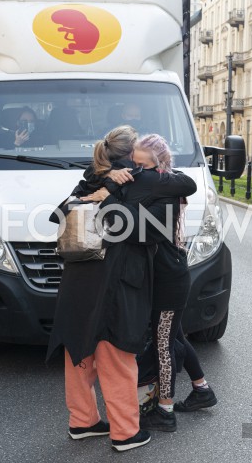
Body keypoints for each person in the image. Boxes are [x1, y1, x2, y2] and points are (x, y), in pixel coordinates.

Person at [46, 125, 197, 452]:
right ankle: (126, 431)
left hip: (77, 281)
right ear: (135, 157)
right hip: (117, 282)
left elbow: (58, 216)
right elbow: (152, 230)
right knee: (115, 353)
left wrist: (100, 196)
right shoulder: (147, 184)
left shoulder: (90, 179)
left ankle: (82, 422)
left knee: (79, 349)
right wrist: (113, 198)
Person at [83, 133, 217, 433]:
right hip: (164, 275)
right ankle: (201, 389)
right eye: (134, 163)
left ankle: (165, 412)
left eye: (143, 164)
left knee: (164, 344)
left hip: (169, 278)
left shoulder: (164, 187)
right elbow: (92, 175)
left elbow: (144, 225)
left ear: (157, 164)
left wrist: (113, 199)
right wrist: (110, 177)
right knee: (174, 336)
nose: (137, 169)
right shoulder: (147, 181)